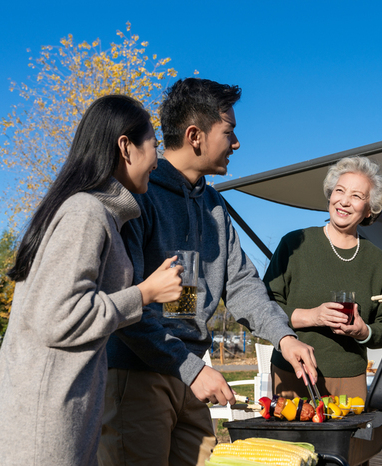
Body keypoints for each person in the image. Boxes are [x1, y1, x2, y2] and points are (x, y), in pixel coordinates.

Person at [98, 78, 318, 466]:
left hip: (193, 375)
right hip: (138, 373)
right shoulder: (139, 196)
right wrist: (190, 368)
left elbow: (241, 283)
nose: (237, 143)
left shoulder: (214, 203)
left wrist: (284, 338)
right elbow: (124, 302)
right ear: (195, 135)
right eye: (229, 132)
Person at [0, 95, 184, 466]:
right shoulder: (86, 213)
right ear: (126, 146)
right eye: (154, 146)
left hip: (58, 423)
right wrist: (144, 293)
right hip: (41, 431)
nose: (157, 161)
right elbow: (59, 318)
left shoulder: (98, 213)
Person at [264, 156, 382, 400]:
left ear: (370, 209)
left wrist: (363, 331)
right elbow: (264, 306)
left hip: (350, 380)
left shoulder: (378, 261)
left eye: (357, 196)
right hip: (294, 372)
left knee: (351, 440)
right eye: (340, 191)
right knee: (292, 439)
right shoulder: (294, 245)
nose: (344, 201)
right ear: (330, 195)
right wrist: (313, 316)